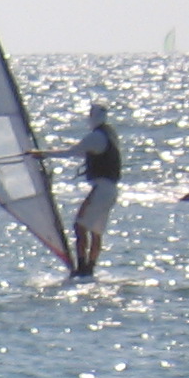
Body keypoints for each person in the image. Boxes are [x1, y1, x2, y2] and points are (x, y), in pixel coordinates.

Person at [53, 102, 119, 277]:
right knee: (95, 230)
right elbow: (86, 152)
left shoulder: (96, 136)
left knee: (80, 226)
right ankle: (89, 268)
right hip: (111, 189)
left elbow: (71, 152)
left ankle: (83, 267)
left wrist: (41, 154)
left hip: (101, 188)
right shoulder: (110, 134)